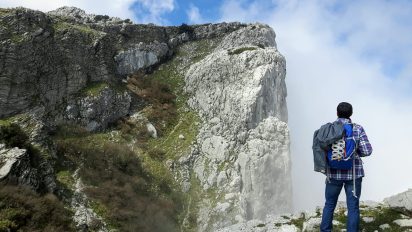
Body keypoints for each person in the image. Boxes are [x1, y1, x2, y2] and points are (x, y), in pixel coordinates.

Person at [320, 102, 373, 232]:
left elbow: (322, 148)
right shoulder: (358, 129)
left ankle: (325, 230)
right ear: (351, 114)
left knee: (329, 204)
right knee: (353, 207)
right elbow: (367, 151)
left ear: (337, 113)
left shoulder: (329, 128)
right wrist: (354, 153)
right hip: (354, 175)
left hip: (333, 173)